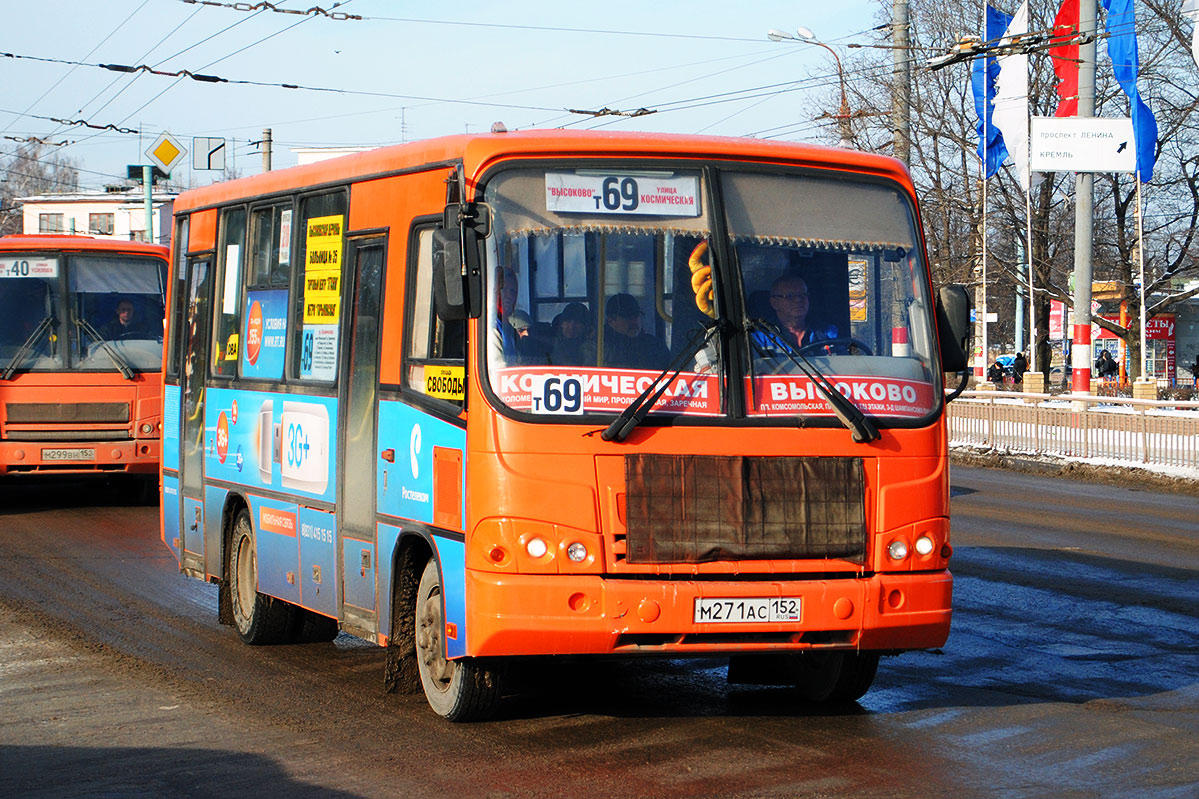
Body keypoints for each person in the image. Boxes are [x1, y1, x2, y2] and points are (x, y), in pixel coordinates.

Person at [601, 293, 669, 370]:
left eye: (636, 315)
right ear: (611, 321)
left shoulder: (656, 346)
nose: (634, 321)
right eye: (627, 317)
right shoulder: (599, 348)